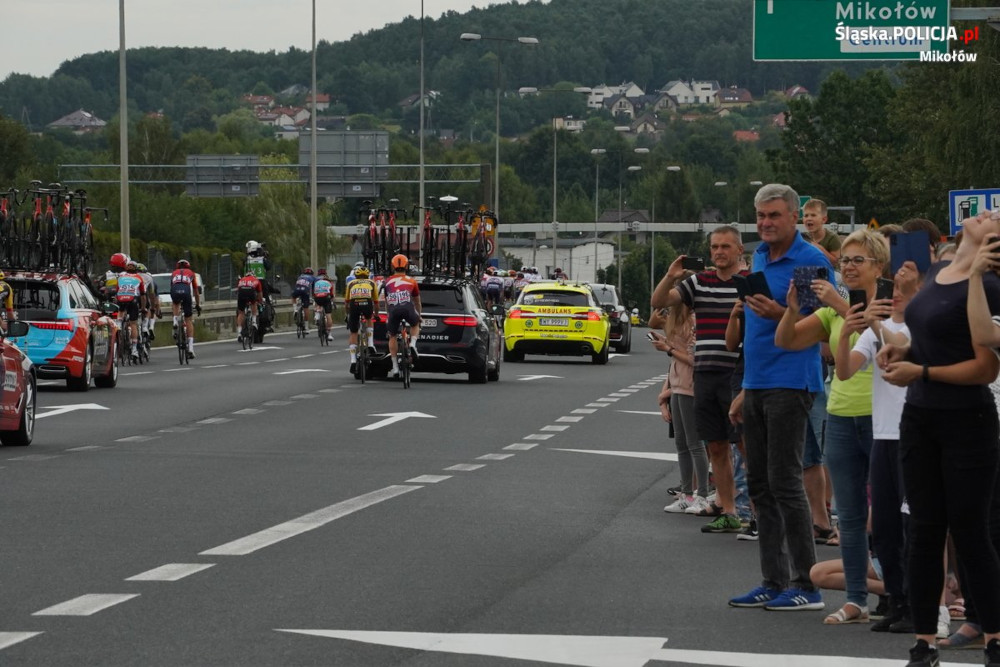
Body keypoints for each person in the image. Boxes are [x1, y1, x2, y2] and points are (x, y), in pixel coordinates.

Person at [879, 209, 1000, 667]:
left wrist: (922, 370)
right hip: (921, 418)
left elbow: (985, 368)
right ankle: (924, 642)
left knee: (971, 533)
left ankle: (994, 637)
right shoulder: (938, 271)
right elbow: (929, 335)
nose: (987, 211)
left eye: (996, 216)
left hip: (966, 421)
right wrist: (904, 349)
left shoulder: (988, 285)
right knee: (924, 533)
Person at [774, 229, 888, 625]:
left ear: (879, 266)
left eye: (858, 261)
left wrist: (840, 304)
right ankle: (857, 599)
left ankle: (904, 593)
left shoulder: (891, 305)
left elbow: (891, 346)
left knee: (891, 511)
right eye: (845, 262)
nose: (849, 268)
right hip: (841, 415)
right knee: (850, 516)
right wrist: (791, 309)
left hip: (883, 419)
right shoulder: (828, 313)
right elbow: (787, 340)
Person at [728, 183, 832, 612]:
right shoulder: (758, 256)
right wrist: (745, 388)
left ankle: (805, 584)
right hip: (757, 381)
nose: (766, 223)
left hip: (791, 382)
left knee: (786, 481)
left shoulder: (809, 260)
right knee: (759, 485)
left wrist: (780, 312)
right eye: (761, 216)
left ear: (795, 217)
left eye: (774, 215)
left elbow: (819, 324)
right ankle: (772, 579)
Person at [834, 260, 920, 633]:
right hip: (883, 433)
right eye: (889, 288)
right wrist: (844, 334)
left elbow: (902, 347)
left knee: (911, 524)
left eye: (900, 287)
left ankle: (921, 604)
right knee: (883, 526)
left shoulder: (921, 325)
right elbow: (844, 371)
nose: (893, 293)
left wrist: (873, 323)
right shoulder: (874, 329)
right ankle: (897, 602)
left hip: (914, 433)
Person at [651, 226, 747, 534]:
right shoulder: (698, 281)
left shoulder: (748, 283)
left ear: (739, 251)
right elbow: (659, 302)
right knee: (715, 445)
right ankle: (729, 510)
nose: (719, 252)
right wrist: (671, 275)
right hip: (704, 373)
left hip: (737, 372)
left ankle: (756, 513)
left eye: (726, 247)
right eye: (715, 247)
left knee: (745, 446)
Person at [383, 254, 421, 379]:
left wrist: (389, 315)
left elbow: (387, 301)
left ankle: (394, 367)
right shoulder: (412, 281)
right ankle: (412, 344)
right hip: (408, 308)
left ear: (392, 266)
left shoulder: (387, 281)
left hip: (393, 310)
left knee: (392, 335)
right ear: (406, 266)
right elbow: (417, 302)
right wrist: (419, 315)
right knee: (415, 324)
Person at [345, 265, 378, 375]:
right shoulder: (372, 283)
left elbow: (346, 302)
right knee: (369, 319)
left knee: (353, 332)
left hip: (354, 304)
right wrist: (376, 314)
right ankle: (370, 344)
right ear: (368, 275)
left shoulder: (350, 283)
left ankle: (353, 360)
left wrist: (347, 314)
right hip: (366, 303)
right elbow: (376, 302)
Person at [169, 259, 201, 359]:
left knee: (175, 302)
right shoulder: (191, 273)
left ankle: (175, 320)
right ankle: (191, 348)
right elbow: (196, 291)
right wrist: (198, 304)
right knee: (188, 320)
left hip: (175, 290)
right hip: (186, 292)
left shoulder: (173, 273)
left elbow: (172, 287)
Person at [115, 261, 146, 361]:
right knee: (133, 324)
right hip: (133, 299)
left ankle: (119, 322)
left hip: (121, 299)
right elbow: (143, 295)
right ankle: (134, 349)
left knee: (121, 308)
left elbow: (117, 292)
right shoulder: (139, 278)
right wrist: (143, 308)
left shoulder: (121, 277)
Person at [244, 241, 274, 332]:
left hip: (247, 282)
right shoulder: (262, 259)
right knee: (266, 301)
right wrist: (264, 256)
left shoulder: (246, 259)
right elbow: (269, 267)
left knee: (243, 302)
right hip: (260, 282)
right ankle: (267, 323)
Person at [802, 198, 842, 264]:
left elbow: (835, 262)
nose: (809, 218)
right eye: (806, 215)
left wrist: (816, 246)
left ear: (824, 219)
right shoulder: (802, 237)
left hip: (829, 271)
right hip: (809, 270)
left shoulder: (832, 238)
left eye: (813, 215)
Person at [235, 271, 263, 343]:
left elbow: (238, 291)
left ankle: (239, 333)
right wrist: (260, 301)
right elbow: (260, 295)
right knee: (254, 304)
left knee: (241, 313)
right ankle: (254, 322)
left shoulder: (242, 280)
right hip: (251, 291)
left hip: (241, 292)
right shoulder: (256, 280)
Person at [312, 268, 334, 343]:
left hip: (317, 297)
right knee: (328, 315)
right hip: (326, 298)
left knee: (317, 303)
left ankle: (317, 315)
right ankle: (330, 334)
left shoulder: (316, 282)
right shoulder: (329, 282)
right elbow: (331, 294)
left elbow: (314, 293)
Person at [292, 267, 316, 332]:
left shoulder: (300, 276)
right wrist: (314, 297)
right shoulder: (313, 278)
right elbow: (314, 289)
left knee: (293, 297)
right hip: (305, 291)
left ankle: (295, 309)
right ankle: (306, 327)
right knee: (306, 308)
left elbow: (297, 284)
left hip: (297, 290)